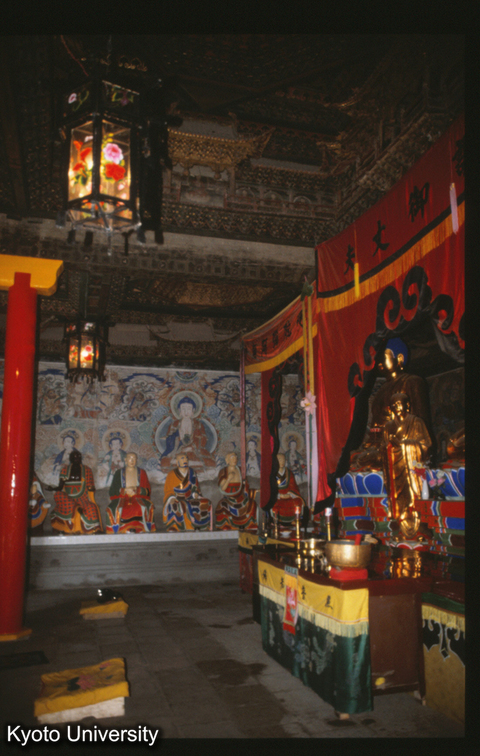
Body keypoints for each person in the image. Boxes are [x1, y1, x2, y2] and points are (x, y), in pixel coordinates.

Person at [351, 338, 433, 471]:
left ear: (399, 358)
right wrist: (370, 445)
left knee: (373, 458)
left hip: (400, 446)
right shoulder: (381, 391)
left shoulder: (412, 382)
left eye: (384, 357)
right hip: (380, 447)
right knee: (353, 457)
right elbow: (375, 429)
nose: (379, 362)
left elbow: (421, 423)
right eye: (378, 358)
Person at [381, 392, 432, 539]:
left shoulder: (416, 422)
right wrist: (388, 447)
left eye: (399, 403)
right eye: (393, 405)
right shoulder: (389, 426)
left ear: (407, 405)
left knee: (414, 495)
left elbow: (426, 445)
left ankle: (420, 527)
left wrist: (403, 445)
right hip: (395, 468)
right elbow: (383, 446)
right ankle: (400, 526)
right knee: (398, 498)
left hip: (411, 467)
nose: (397, 407)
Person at [49, 450, 102, 534]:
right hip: (68, 498)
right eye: (74, 457)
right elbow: (60, 486)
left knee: (92, 507)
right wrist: (53, 488)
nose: (76, 459)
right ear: (70, 459)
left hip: (83, 498)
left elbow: (90, 485)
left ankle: (95, 529)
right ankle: (76, 508)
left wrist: (91, 489)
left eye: (78, 457)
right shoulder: (65, 470)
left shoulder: (87, 470)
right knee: (58, 494)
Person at [160, 396, 216, 470]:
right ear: (179, 410)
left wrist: (192, 447)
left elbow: (203, 440)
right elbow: (169, 442)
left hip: (195, 452)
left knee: (211, 463)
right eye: (183, 409)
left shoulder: (198, 424)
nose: (186, 412)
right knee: (164, 463)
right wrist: (175, 440)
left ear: (193, 410)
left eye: (189, 409)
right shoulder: (174, 425)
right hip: (178, 452)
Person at [106, 452, 156, 534]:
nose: (132, 461)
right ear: (125, 460)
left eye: (134, 458)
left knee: (143, 507)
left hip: (137, 497)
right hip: (123, 497)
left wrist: (137, 490)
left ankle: (140, 528)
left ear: (137, 460)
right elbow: (112, 491)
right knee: (115, 508)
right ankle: (123, 529)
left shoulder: (142, 472)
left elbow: (147, 491)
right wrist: (124, 490)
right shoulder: (119, 473)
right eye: (130, 458)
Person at [163, 452, 211, 531]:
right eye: (182, 458)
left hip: (190, 497)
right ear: (177, 462)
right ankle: (175, 526)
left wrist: (195, 493)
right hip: (177, 498)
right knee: (177, 506)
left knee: (206, 503)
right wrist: (171, 498)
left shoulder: (191, 472)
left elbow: (195, 486)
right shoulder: (171, 474)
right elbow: (168, 489)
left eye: (186, 458)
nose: (185, 460)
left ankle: (201, 526)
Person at [215, 452, 257, 531]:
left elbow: (245, 486)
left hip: (241, 497)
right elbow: (222, 488)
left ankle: (250, 524)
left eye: (236, 457)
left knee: (252, 504)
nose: (235, 459)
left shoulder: (240, 470)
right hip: (229, 499)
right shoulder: (223, 471)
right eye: (232, 457)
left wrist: (245, 484)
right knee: (222, 505)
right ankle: (226, 524)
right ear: (227, 460)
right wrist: (228, 479)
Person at [272, 452, 306, 527]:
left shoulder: (289, 473)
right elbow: (271, 488)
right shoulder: (272, 473)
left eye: (283, 460)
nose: (282, 461)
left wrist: (290, 494)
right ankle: (277, 521)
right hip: (277, 497)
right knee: (273, 503)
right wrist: (278, 495)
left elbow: (293, 486)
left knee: (298, 501)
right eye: (280, 459)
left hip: (289, 495)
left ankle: (295, 520)